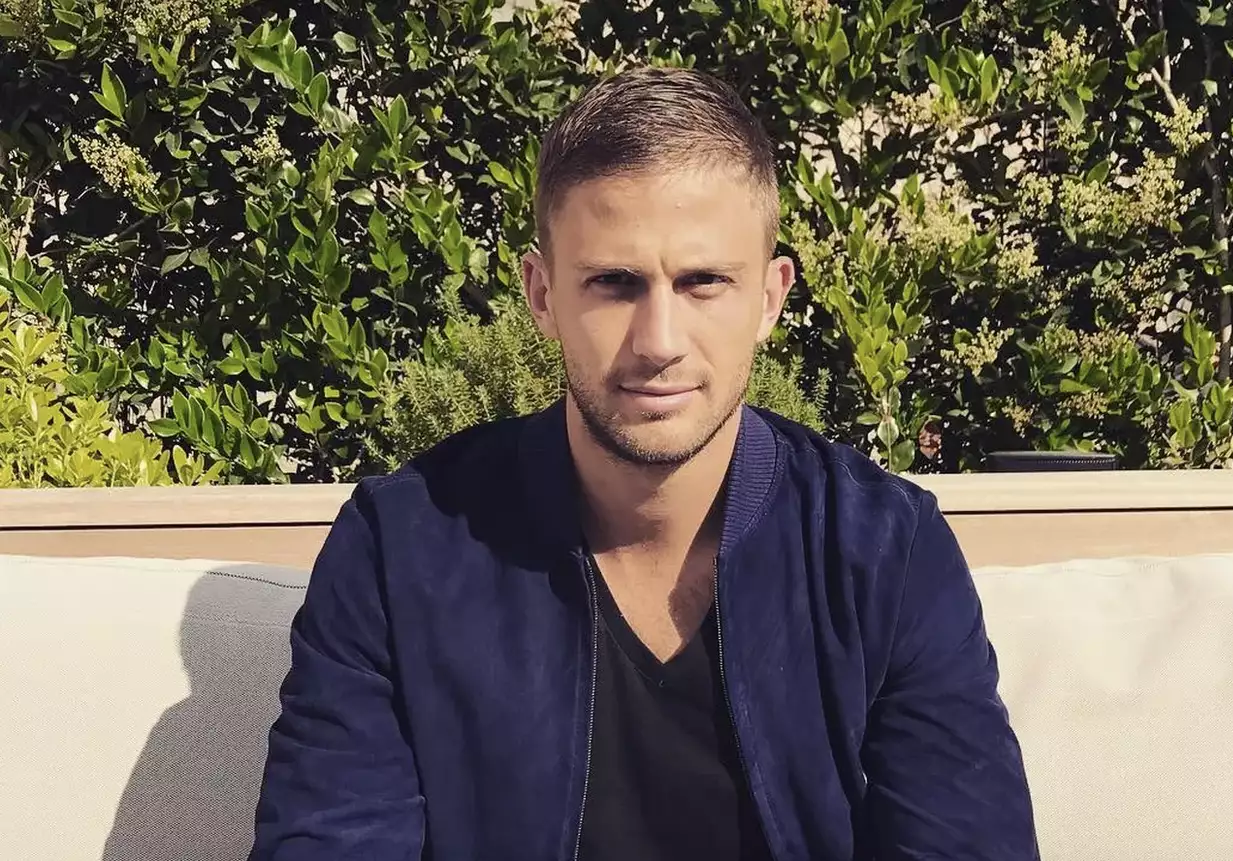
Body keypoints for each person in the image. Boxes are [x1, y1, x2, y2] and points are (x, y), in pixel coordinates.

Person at [248, 66, 1039, 860]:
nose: (659, 341)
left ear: (769, 298)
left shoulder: (883, 551)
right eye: (614, 283)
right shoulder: (401, 551)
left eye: (704, 282)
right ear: (542, 294)